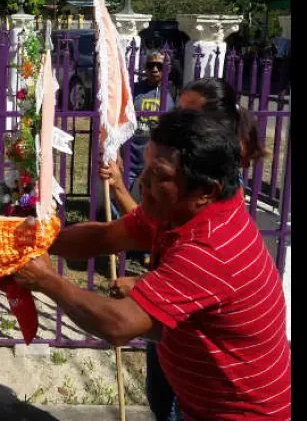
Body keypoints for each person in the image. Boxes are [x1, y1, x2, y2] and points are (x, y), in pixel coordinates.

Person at [15, 109, 291, 420]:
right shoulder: (178, 210)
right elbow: (105, 237)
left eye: (159, 175)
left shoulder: (210, 246)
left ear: (206, 191)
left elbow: (119, 324)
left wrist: (48, 280)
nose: (142, 181)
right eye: (146, 166)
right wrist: (36, 241)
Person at [99, 77, 267, 421]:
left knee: (168, 402)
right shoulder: (186, 174)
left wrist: (46, 280)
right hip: (177, 336)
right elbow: (150, 228)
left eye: (187, 114)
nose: (176, 118)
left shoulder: (209, 208)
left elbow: (189, 263)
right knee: (163, 400)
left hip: (223, 397)